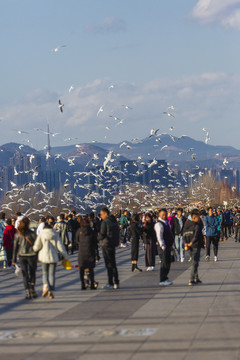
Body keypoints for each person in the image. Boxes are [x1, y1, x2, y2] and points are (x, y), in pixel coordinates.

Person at [33, 222, 68, 300]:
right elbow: (60, 246)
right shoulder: (55, 234)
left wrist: (34, 250)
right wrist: (65, 256)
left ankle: (45, 286)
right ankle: (51, 291)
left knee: (45, 273)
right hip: (53, 257)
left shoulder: (41, 234)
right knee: (52, 274)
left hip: (44, 257)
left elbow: (36, 247)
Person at [12, 218, 37, 300]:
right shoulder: (32, 233)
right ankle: (32, 287)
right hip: (32, 255)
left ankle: (27, 292)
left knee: (25, 273)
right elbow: (37, 245)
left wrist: (14, 259)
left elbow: (15, 247)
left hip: (22, 255)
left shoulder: (18, 233)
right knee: (32, 272)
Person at [98, 207, 120, 289]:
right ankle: (116, 281)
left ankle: (110, 282)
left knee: (108, 264)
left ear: (106, 214)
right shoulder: (114, 221)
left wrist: (96, 239)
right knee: (113, 263)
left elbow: (102, 234)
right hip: (113, 244)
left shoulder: (105, 222)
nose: (101, 216)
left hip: (106, 244)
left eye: (101, 214)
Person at [183, 209, 204, 286]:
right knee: (195, 262)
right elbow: (196, 236)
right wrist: (191, 243)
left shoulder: (186, 224)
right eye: (198, 217)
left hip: (188, 246)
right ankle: (191, 279)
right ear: (194, 218)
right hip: (195, 245)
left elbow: (184, 235)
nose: (199, 219)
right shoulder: (197, 225)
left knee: (195, 262)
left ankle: (196, 277)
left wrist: (186, 244)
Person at [76, 216, 97, 290]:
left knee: (82, 269)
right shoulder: (91, 231)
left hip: (82, 252)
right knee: (91, 269)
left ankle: (83, 284)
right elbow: (95, 242)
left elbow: (77, 240)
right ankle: (91, 284)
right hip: (90, 251)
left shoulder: (79, 231)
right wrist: (96, 254)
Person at [155, 208, 174, 286]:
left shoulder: (165, 222)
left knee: (167, 262)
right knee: (164, 263)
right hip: (163, 246)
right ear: (159, 215)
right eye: (162, 214)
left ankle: (165, 278)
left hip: (168, 246)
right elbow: (159, 236)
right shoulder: (159, 224)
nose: (164, 216)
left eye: (165, 214)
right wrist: (163, 245)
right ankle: (162, 279)